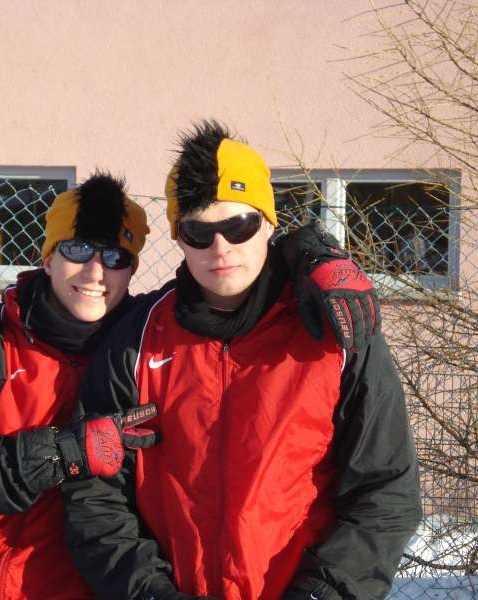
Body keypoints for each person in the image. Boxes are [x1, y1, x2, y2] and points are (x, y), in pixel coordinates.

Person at [0, 165, 381, 598]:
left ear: (131, 268)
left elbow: (234, 277)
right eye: (76, 249)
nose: (95, 272)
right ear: (47, 257)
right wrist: (59, 454)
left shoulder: (138, 342)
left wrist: (312, 255)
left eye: (115, 256)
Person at [62, 122, 422, 600]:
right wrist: (148, 591)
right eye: (198, 231)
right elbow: (95, 494)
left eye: (238, 226)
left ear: (268, 223)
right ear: (178, 238)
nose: (221, 248)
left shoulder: (334, 331)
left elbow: (385, 491)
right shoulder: (136, 339)